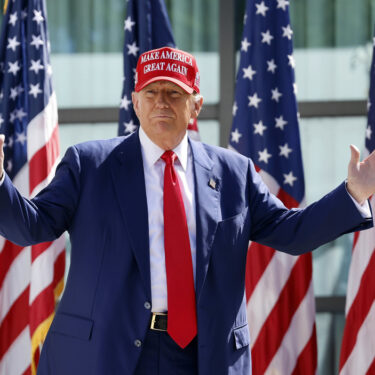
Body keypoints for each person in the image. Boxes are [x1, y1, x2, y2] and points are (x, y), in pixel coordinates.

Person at [0, 46, 374, 375]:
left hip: (203, 355)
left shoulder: (233, 173)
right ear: (135, 101)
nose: (162, 102)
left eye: (174, 93)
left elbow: (293, 233)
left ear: (196, 104)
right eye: (152, 92)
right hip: (108, 352)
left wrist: (353, 192)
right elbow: (31, 225)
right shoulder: (89, 165)